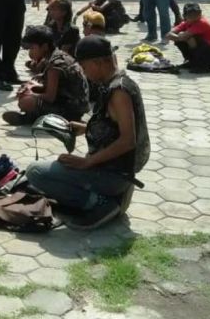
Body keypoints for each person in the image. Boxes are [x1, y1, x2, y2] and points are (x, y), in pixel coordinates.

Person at [25, 36, 151, 230]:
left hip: (114, 174)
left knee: (35, 172)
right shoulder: (121, 82)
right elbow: (114, 126)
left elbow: (128, 140)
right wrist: (86, 128)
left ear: (99, 62)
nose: (84, 72)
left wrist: (87, 162)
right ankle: (101, 196)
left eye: (84, 66)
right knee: (52, 170)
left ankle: (101, 204)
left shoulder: (119, 92)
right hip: (115, 171)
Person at [2, 25, 90, 127]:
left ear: (44, 46)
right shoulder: (57, 55)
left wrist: (29, 94)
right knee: (29, 87)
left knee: (26, 102)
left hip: (72, 110)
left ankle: (32, 118)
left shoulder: (55, 65)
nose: (30, 52)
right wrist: (32, 87)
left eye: (32, 48)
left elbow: (50, 97)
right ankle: (33, 117)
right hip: (71, 103)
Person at [164, 2, 210, 72]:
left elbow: (183, 36)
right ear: (185, 16)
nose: (194, 16)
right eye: (191, 14)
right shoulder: (185, 23)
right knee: (182, 40)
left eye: (197, 13)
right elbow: (168, 35)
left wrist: (180, 37)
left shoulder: (202, 23)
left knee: (189, 38)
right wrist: (179, 37)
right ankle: (192, 61)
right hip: (208, 51)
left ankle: (203, 66)